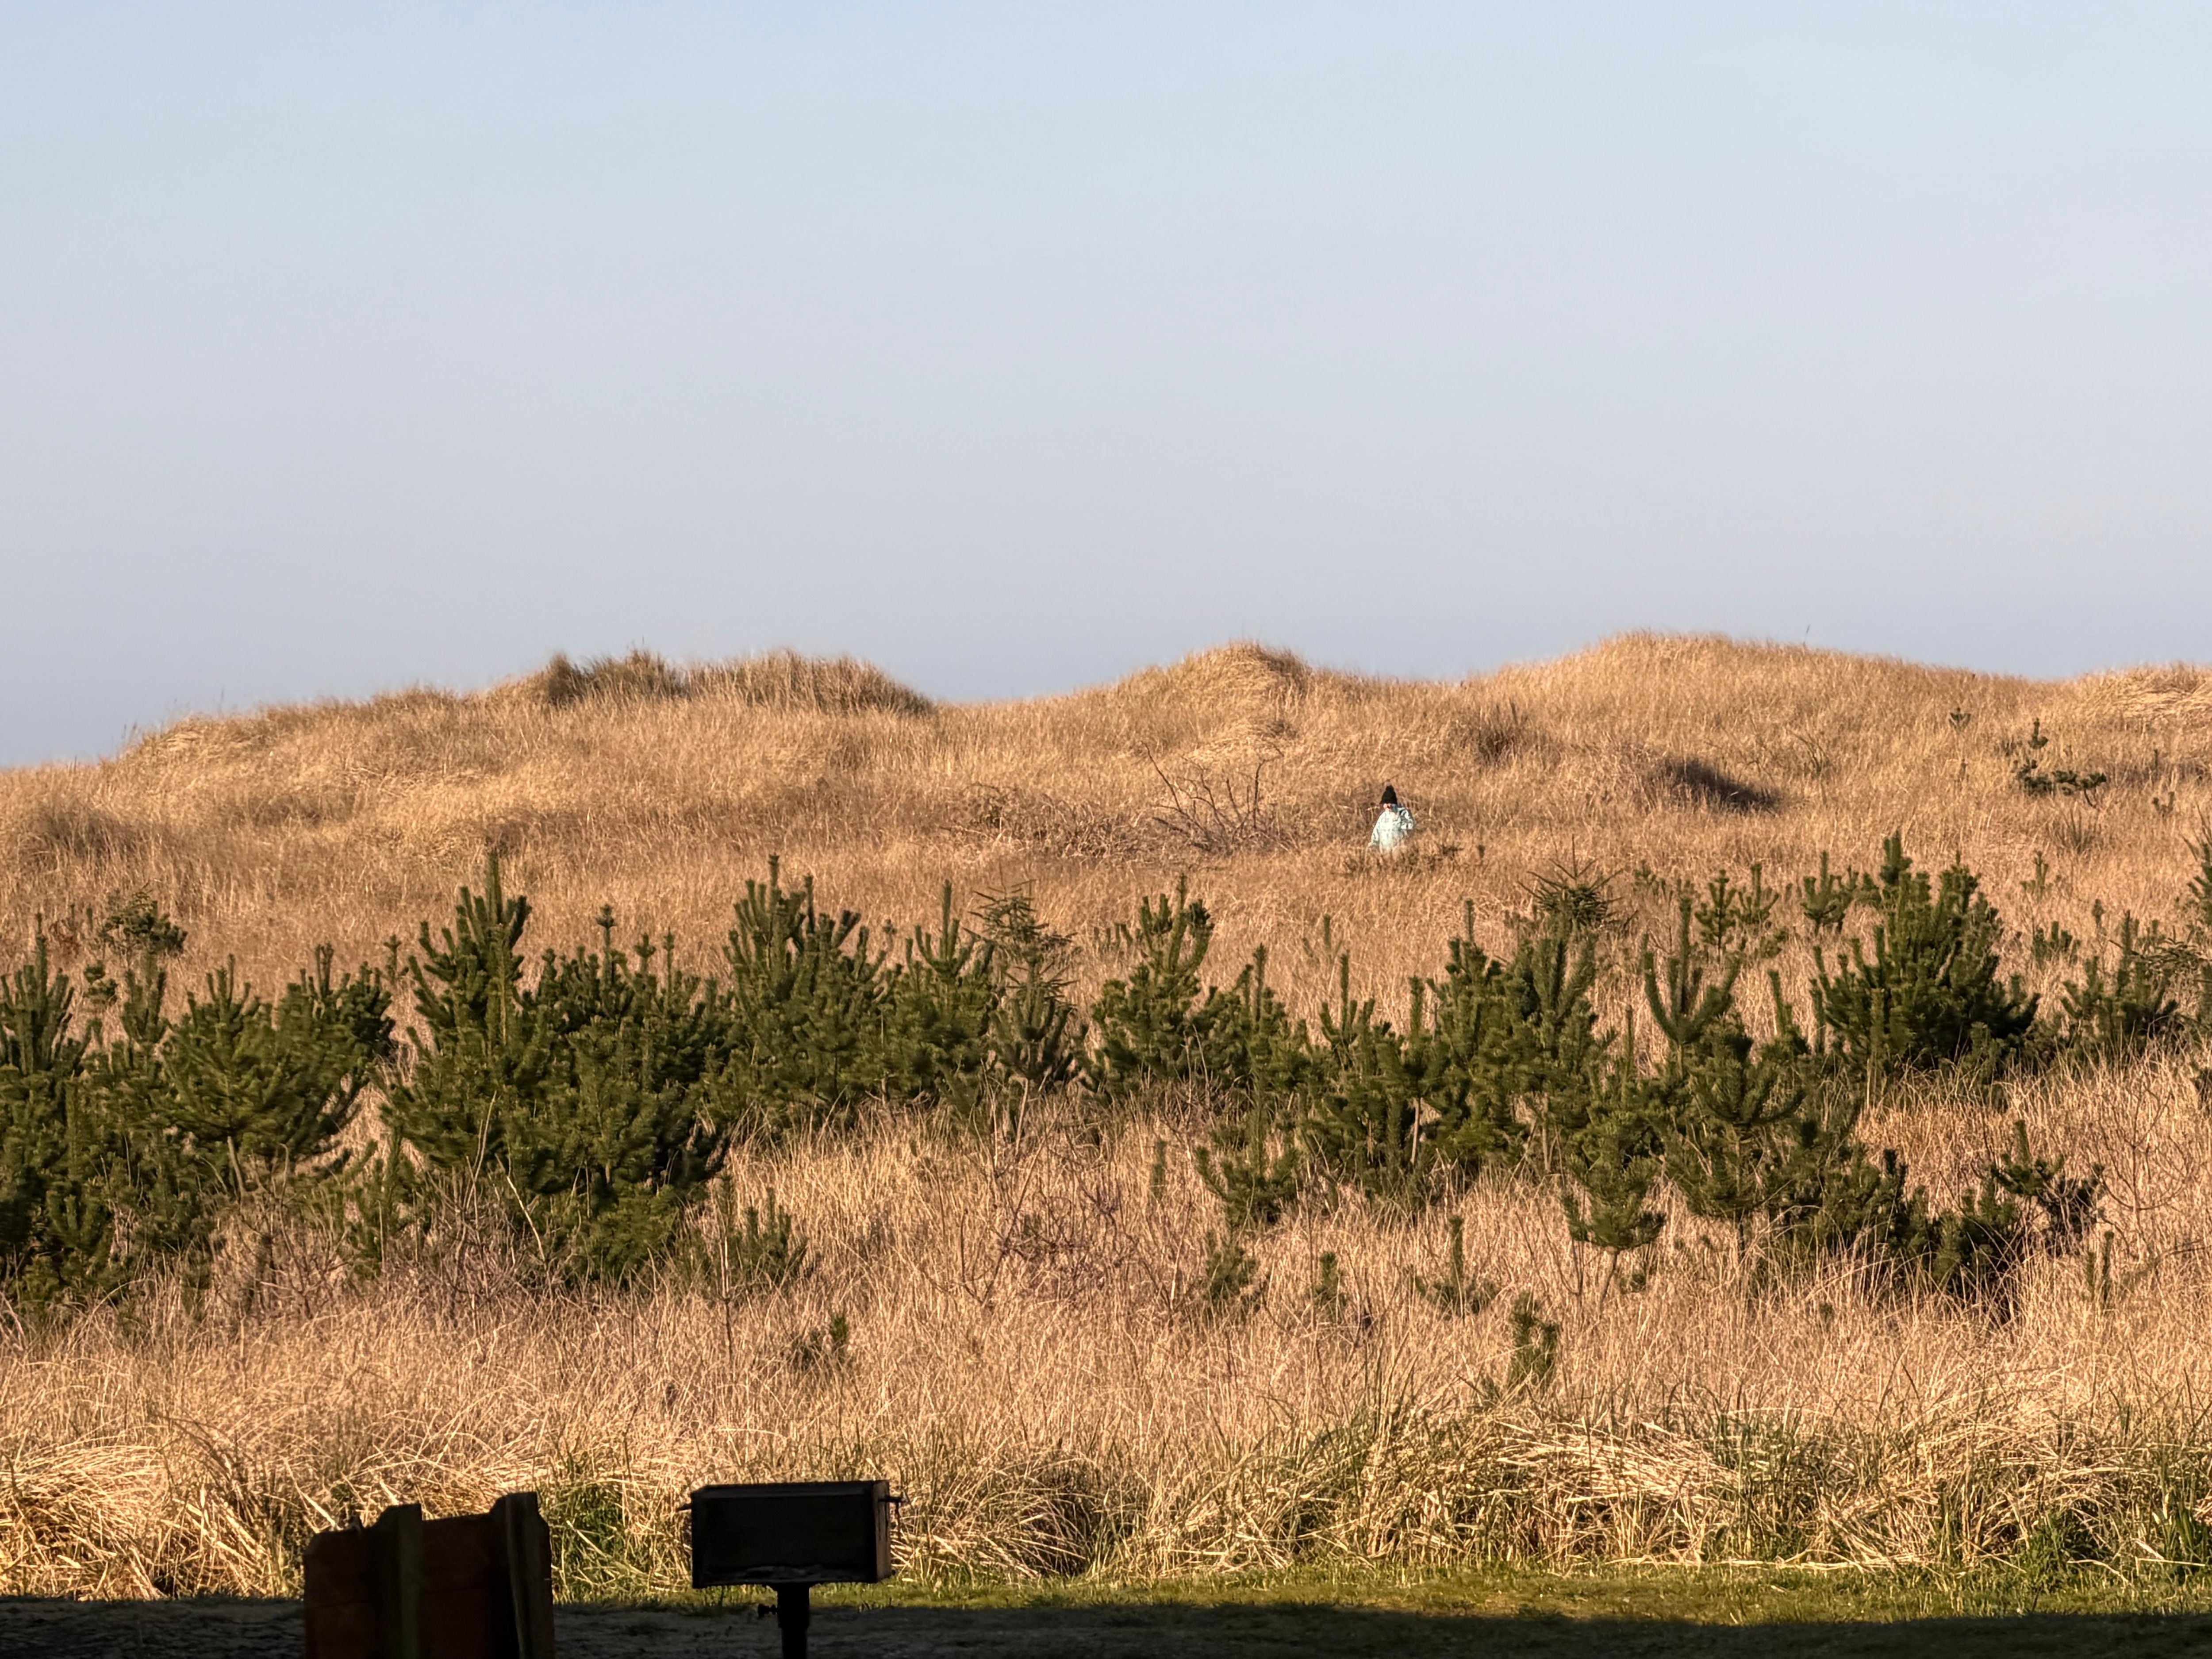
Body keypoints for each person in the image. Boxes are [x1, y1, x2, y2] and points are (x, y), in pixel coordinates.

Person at [1369, 785, 1415, 853]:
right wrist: (1373, 845)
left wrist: (1398, 819)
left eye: (1389, 803)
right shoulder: (1383, 817)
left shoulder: (1403, 813)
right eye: (1385, 804)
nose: (1388, 806)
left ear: (1394, 804)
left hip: (1399, 851)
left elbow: (1411, 828)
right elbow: (1376, 833)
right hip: (1384, 853)